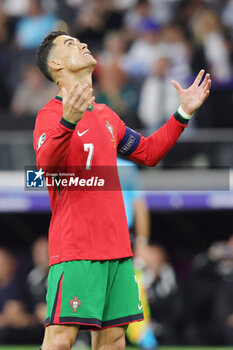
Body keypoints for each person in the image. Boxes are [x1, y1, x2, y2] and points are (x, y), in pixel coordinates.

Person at [34, 30, 211, 350]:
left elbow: (148, 152)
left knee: (114, 341)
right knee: (60, 340)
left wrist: (182, 114)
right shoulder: (49, 115)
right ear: (57, 65)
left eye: (81, 41)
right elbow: (46, 167)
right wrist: (68, 123)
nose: (84, 44)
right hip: (76, 250)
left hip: (117, 249)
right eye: (71, 44)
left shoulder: (106, 116)